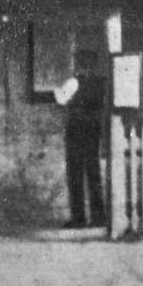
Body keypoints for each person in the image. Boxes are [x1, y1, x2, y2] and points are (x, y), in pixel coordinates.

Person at [55, 49, 106, 228]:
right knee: (94, 174)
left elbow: (61, 99)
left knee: (75, 175)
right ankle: (99, 217)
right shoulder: (101, 82)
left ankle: (79, 219)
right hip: (93, 131)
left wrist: (56, 89)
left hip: (76, 132)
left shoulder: (73, 82)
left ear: (79, 64)